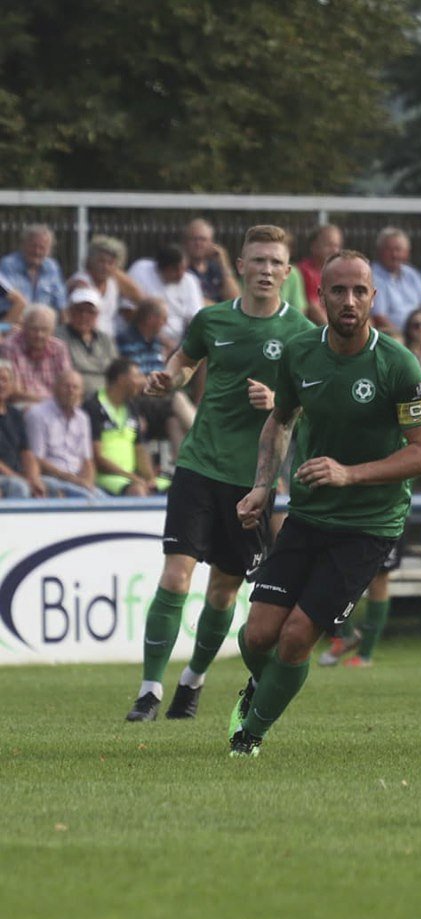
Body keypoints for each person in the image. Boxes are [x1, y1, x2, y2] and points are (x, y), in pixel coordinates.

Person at [227, 249, 421, 756]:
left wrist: (350, 474)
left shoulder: (398, 364)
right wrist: (263, 484)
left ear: (373, 297)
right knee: (256, 637)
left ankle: (249, 735)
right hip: (307, 513)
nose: (349, 300)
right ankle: (263, 690)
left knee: (297, 637)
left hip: (369, 523)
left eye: (359, 291)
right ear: (319, 296)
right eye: (338, 291)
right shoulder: (300, 354)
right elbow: (280, 420)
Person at [123, 224, 313, 723]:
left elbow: (314, 405)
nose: (267, 270)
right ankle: (148, 691)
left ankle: (193, 680)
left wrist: (279, 404)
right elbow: (184, 363)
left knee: (224, 590)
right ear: (242, 268)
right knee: (175, 574)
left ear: (287, 272)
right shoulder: (211, 320)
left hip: (253, 479)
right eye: (258, 261)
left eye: (276, 262)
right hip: (198, 464)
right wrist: (170, 378)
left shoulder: (302, 335)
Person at [117, 297, 195, 459]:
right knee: (178, 398)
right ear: (151, 319)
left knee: (173, 421)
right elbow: (129, 378)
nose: (165, 324)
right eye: (163, 319)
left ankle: (182, 472)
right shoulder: (125, 340)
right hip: (137, 398)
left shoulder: (155, 342)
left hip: (157, 397)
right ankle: (206, 439)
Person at [84, 358, 169, 496]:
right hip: (107, 477)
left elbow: (140, 449)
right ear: (122, 379)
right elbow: (97, 457)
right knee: (138, 491)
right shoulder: (93, 406)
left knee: (177, 488)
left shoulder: (131, 407)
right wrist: (132, 477)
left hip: (131, 477)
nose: (142, 381)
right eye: (137, 376)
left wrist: (150, 478)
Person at [24, 369, 105, 499]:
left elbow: (87, 460)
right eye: (66, 386)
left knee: (103, 500)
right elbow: (36, 458)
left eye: (75, 387)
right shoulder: (38, 414)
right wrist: (69, 478)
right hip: (50, 478)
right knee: (89, 498)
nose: (71, 391)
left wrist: (88, 481)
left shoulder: (83, 418)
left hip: (78, 480)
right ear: (55, 388)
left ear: (81, 393)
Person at [125, 244, 205, 350]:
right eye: (175, 269)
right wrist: (163, 341)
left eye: (184, 268)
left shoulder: (190, 280)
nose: (181, 274)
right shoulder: (141, 269)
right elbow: (127, 311)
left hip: (179, 343)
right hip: (141, 338)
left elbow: (195, 320)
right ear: (161, 268)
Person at [67, 234, 144, 338]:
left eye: (110, 263)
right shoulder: (81, 282)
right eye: (101, 261)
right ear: (90, 261)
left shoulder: (114, 280)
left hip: (110, 340)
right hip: (86, 339)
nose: (105, 267)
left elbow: (142, 300)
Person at [370, 227, 421, 338]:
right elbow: (379, 318)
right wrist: (402, 342)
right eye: (389, 250)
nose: (394, 255)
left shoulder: (411, 274)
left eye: (399, 250)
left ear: (407, 253)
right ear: (379, 251)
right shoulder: (372, 276)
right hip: (394, 339)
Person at [0, 304, 73, 405]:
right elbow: (13, 392)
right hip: (23, 404)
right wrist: (47, 403)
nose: (39, 335)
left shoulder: (59, 348)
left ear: (52, 330)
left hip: (56, 405)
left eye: (44, 329)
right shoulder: (10, 347)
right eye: (34, 329)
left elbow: (67, 383)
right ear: (24, 327)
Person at [55, 286, 118, 397]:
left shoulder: (105, 339)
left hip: (107, 395)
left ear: (97, 315)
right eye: (79, 310)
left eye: (90, 312)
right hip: (76, 395)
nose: (84, 316)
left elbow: (115, 370)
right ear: (70, 312)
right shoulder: (58, 336)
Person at [0, 360, 45, 498]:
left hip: (18, 475)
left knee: (52, 487)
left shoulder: (16, 414)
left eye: (5, 380)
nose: (1, 384)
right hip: (7, 477)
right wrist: (17, 477)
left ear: (12, 385)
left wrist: (33, 478)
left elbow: (26, 452)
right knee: (20, 488)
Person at [0, 224, 67, 315]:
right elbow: (9, 302)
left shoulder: (52, 267)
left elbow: (61, 303)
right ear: (23, 245)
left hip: (43, 322)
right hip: (14, 321)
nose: (37, 251)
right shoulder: (8, 265)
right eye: (33, 246)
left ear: (49, 250)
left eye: (42, 248)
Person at [183, 218, 241, 305]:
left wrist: (224, 264)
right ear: (185, 242)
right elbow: (192, 301)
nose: (198, 244)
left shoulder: (216, 268)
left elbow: (235, 299)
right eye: (194, 239)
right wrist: (220, 310)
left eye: (203, 239)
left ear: (211, 243)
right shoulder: (180, 269)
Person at [296, 223, 343, 325]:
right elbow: (313, 309)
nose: (334, 250)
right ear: (314, 247)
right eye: (329, 245)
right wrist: (336, 332)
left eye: (337, 246)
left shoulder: (342, 272)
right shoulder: (304, 271)